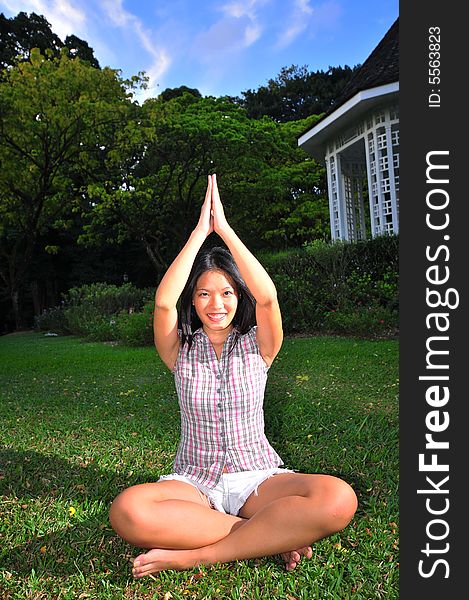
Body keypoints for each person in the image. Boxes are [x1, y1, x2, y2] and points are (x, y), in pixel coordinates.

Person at [109, 174, 358, 578]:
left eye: (227, 293)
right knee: (128, 511)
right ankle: (268, 536)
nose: (216, 303)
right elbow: (161, 303)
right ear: (193, 300)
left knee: (337, 498)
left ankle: (196, 554)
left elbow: (269, 297)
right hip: (193, 482)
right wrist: (198, 233)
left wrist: (223, 230)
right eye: (204, 293)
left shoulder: (260, 346)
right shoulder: (179, 350)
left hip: (256, 478)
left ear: (239, 297)